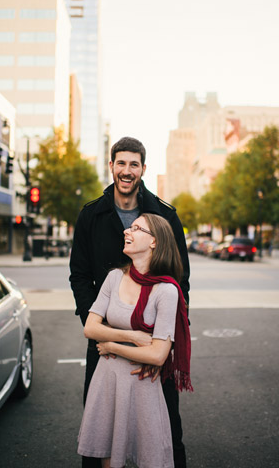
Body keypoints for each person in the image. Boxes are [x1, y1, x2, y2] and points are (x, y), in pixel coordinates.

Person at [69, 137, 191, 467]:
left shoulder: (164, 214)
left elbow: (181, 281)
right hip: (105, 335)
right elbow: (79, 275)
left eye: (133, 164)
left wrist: (163, 344)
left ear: (143, 169)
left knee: (165, 430)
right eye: (120, 163)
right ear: (111, 167)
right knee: (101, 429)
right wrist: (100, 329)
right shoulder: (91, 216)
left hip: (154, 340)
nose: (126, 170)